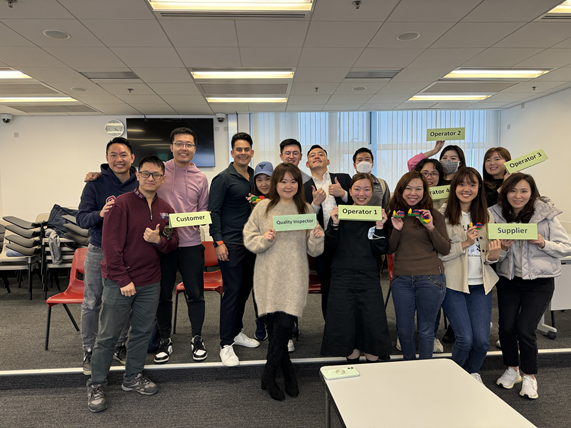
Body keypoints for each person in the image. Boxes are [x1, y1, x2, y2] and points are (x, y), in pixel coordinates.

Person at [86, 155, 179, 413]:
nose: (151, 178)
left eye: (156, 175)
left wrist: (158, 241)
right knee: (108, 335)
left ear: (163, 178)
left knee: (141, 332)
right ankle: (96, 383)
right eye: (146, 173)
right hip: (120, 282)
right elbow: (110, 247)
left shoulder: (167, 210)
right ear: (138, 175)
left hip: (150, 281)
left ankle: (132, 377)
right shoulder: (121, 204)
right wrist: (123, 279)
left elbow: (173, 243)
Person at [243, 163, 324, 401]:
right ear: (275, 184)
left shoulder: (305, 208)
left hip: (294, 277)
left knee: (284, 325)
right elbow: (249, 238)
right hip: (267, 275)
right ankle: (288, 371)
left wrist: (318, 237)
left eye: (293, 181)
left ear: (299, 184)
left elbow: (314, 249)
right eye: (283, 181)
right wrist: (264, 239)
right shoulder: (263, 207)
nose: (288, 186)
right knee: (274, 327)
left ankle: (268, 375)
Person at [490, 173, 571, 399]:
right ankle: (512, 369)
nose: (518, 196)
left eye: (524, 191)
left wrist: (543, 243)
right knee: (506, 328)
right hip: (509, 280)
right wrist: (503, 248)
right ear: (505, 192)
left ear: (532, 192)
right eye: (513, 190)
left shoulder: (546, 215)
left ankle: (529, 376)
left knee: (525, 329)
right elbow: (491, 255)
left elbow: (566, 247)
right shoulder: (495, 214)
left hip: (540, 281)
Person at [77, 137, 138, 375]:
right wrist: (100, 214)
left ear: (132, 158)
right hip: (99, 250)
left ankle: (119, 345)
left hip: (128, 252)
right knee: (92, 301)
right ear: (106, 158)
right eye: (113, 155)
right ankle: (89, 349)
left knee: (123, 301)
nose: (118, 159)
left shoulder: (140, 181)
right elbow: (82, 219)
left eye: (123, 155)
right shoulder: (95, 184)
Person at [438, 167, 502, 383]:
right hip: (453, 283)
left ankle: (472, 372)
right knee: (465, 339)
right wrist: (464, 243)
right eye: (462, 184)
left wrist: (495, 255)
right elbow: (439, 254)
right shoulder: (442, 215)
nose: (467, 189)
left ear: (479, 188)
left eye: (472, 184)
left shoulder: (486, 216)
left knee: (482, 342)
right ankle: (456, 377)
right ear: (454, 187)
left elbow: (490, 255)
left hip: (481, 284)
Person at [321, 173, 392, 363]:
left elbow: (380, 249)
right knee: (345, 326)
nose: (362, 193)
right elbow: (328, 247)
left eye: (367, 189)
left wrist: (380, 227)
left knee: (372, 324)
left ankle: (372, 370)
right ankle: (352, 367)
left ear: (372, 192)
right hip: (341, 276)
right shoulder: (340, 213)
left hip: (368, 276)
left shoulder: (376, 215)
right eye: (357, 189)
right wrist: (335, 225)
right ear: (350, 191)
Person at [154, 127, 209, 364]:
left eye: (188, 144)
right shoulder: (159, 171)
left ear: (194, 148)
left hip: (191, 244)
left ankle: (197, 338)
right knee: (163, 295)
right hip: (163, 245)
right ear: (171, 147)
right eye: (179, 143)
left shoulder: (201, 178)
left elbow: (203, 211)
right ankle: (164, 339)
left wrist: (201, 218)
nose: (183, 148)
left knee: (195, 294)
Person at [385, 171, 451, 360]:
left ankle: (424, 370)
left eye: (418, 189)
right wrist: (397, 229)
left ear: (425, 191)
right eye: (408, 188)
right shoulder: (394, 215)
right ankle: (409, 368)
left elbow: (445, 248)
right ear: (401, 190)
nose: (413, 193)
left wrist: (430, 227)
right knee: (404, 332)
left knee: (426, 331)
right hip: (402, 280)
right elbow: (389, 249)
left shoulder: (434, 215)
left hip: (431, 279)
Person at [208, 132, 260, 367]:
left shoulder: (254, 177)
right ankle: (225, 344)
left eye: (246, 149)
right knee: (232, 291)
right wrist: (218, 242)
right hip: (230, 244)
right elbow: (214, 212)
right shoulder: (222, 179)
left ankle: (237, 332)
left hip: (251, 244)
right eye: (238, 149)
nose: (243, 153)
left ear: (252, 152)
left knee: (244, 291)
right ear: (232, 153)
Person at [303, 144, 352, 319]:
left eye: (321, 154)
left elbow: (359, 204)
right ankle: (330, 327)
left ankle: (350, 326)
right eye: (312, 155)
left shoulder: (344, 179)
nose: (317, 156)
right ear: (307, 163)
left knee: (348, 287)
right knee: (328, 287)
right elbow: (303, 219)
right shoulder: (302, 187)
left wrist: (344, 194)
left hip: (346, 243)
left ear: (328, 160)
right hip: (322, 245)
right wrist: (315, 204)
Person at [247, 161, 274, 342]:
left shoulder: (283, 197)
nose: (264, 183)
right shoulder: (251, 200)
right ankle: (260, 320)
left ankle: (285, 323)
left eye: (268, 179)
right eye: (259, 179)